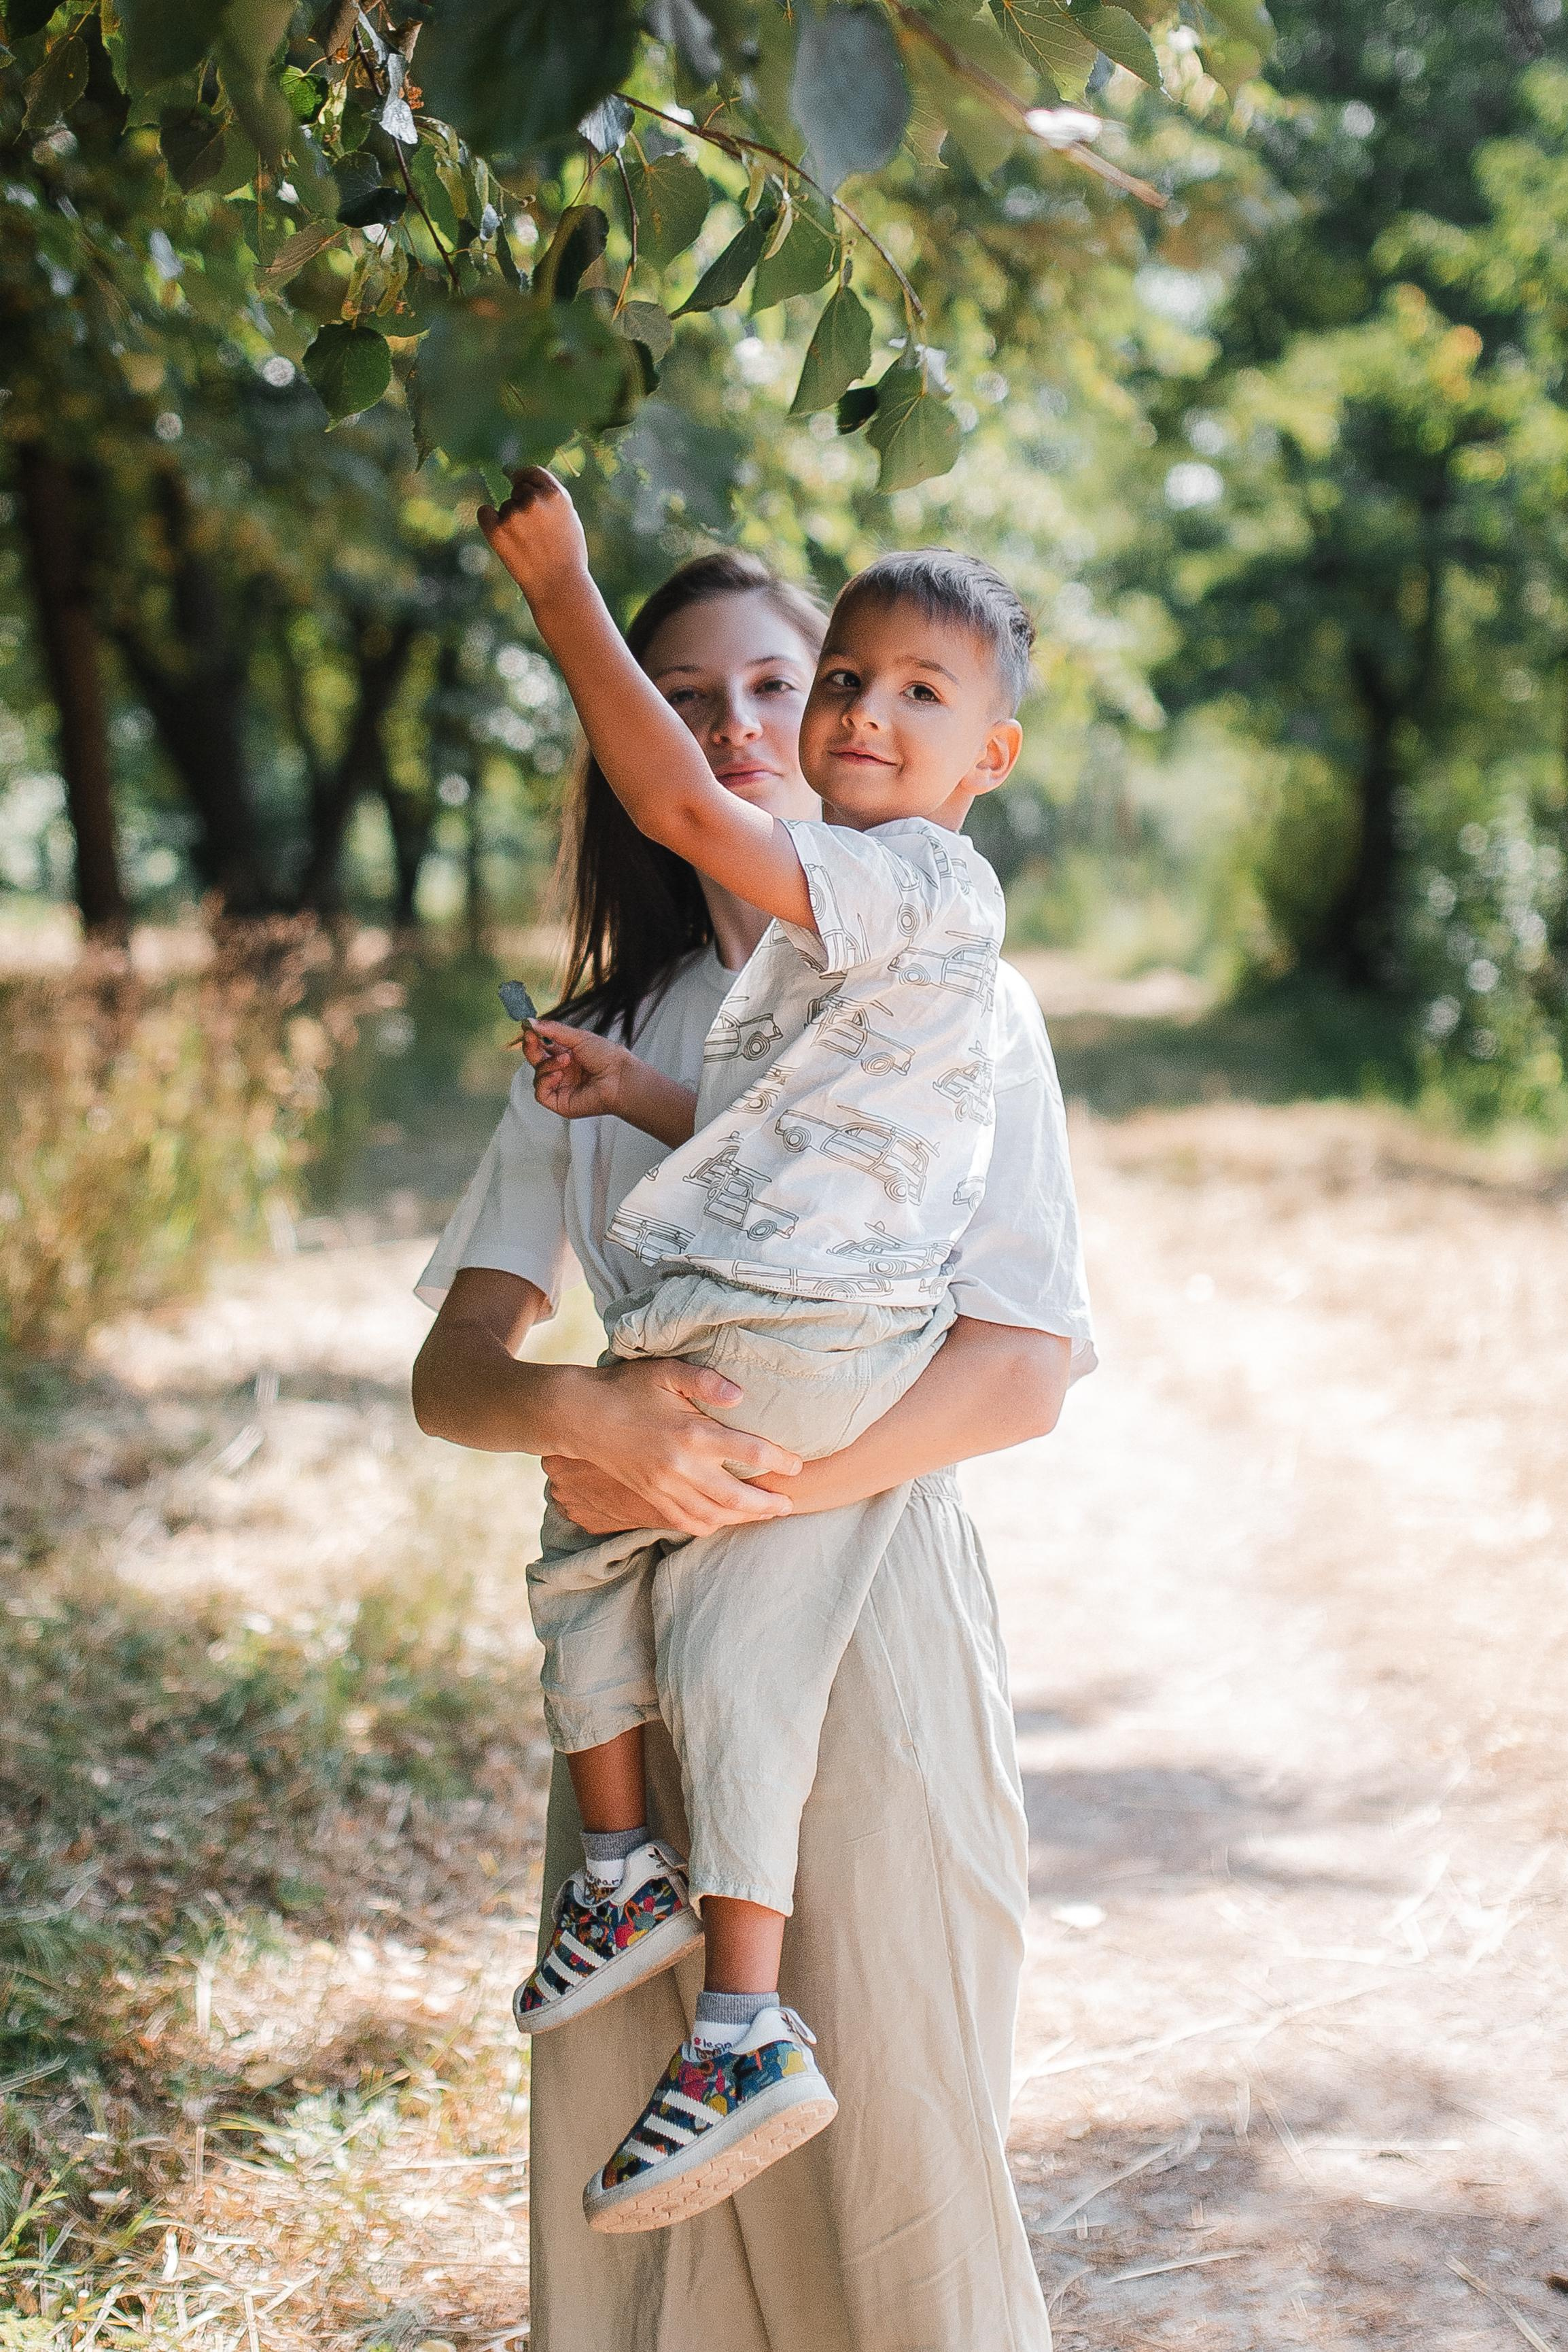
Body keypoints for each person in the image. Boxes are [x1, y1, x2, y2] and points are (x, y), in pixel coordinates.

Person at [412, 547, 1094, 2347]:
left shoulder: (959, 1000)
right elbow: (453, 1376)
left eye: (777, 683)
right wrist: (581, 1413)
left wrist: (728, 1482)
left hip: (863, 1612)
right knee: (639, 2191)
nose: (741, 724)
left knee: (893, 2153)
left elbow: (1022, 1370)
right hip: (634, 1658)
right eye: (685, 696)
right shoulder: (602, 1040)